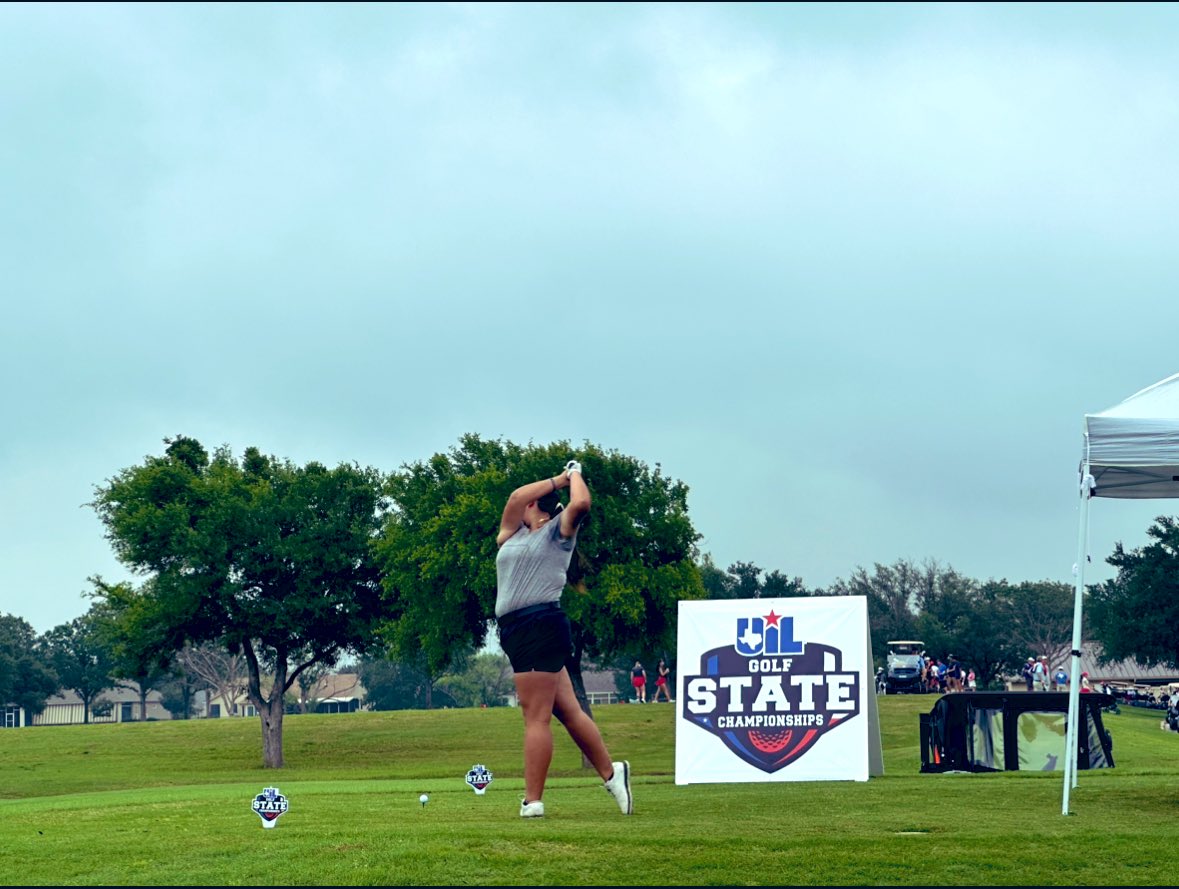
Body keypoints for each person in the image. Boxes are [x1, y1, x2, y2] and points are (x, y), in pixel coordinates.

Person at [494, 460, 632, 819]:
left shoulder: (558, 530)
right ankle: (612, 774)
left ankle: (533, 801)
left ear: (535, 507)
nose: (521, 502)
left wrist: (574, 476)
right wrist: (557, 477)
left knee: (534, 716)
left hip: (540, 624)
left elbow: (581, 504)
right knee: (568, 711)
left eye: (531, 499)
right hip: (515, 631)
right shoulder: (511, 535)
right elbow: (514, 497)